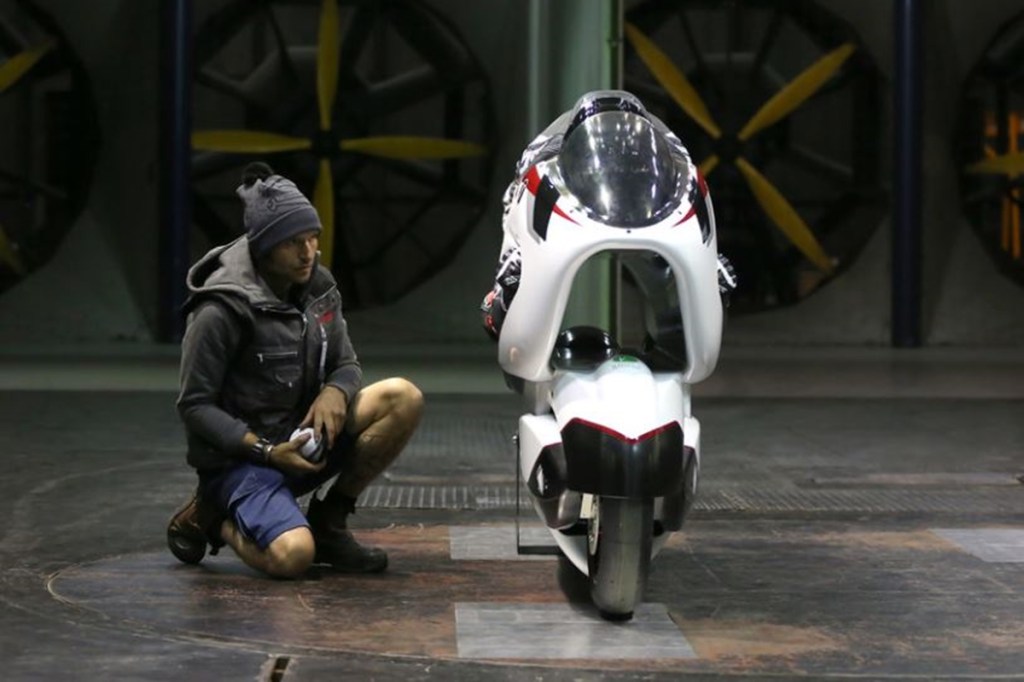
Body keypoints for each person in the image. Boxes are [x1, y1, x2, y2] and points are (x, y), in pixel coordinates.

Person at [167, 161, 423, 579]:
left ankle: (330, 522)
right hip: (243, 461)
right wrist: (264, 451)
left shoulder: (317, 285)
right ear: (264, 247)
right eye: (293, 243)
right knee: (293, 558)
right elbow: (195, 406)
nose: (308, 253)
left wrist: (334, 392)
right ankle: (213, 518)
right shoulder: (220, 310)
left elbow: (346, 362)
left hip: (302, 441)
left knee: (402, 397)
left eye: (313, 238)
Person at [481, 90, 737, 344]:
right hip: (569, 201)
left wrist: (707, 278)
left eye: (630, 163)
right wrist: (511, 284)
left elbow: (685, 183)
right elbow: (522, 194)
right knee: (510, 287)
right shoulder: (546, 152)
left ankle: (703, 300)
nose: (617, 169)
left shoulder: (671, 151)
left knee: (690, 288)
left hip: (650, 206)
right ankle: (508, 296)